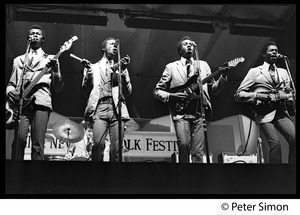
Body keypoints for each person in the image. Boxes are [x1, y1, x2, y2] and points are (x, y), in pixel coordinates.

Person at [153, 36, 228, 163]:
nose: (189, 46)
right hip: (181, 113)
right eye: (185, 44)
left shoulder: (203, 65)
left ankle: (197, 180)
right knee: (184, 146)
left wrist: (223, 76)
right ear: (180, 50)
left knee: (198, 151)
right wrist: (172, 96)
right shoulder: (171, 67)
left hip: (200, 112)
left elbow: (214, 89)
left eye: (191, 44)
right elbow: (157, 91)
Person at [6, 25, 63, 160]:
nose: (34, 36)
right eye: (32, 34)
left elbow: (58, 86)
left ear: (43, 39)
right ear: (28, 38)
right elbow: (10, 84)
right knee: (19, 141)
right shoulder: (18, 60)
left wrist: (56, 70)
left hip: (41, 102)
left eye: (38, 34)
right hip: (21, 104)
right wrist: (10, 92)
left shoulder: (51, 59)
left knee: (38, 144)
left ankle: (36, 176)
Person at [234, 41, 295, 164]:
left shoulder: (283, 72)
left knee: (294, 140)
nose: (274, 52)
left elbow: (288, 93)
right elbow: (238, 94)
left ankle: (291, 172)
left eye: (276, 51)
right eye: (271, 50)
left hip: (281, 111)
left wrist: (289, 98)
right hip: (264, 113)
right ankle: (275, 175)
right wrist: (257, 95)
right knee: (275, 144)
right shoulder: (255, 71)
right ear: (263, 54)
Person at [81, 37, 132, 162]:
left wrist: (124, 71)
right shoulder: (92, 67)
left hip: (117, 109)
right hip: (99, 108)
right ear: (103, 47)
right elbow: (85, 90)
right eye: (112, 44)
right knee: (98, 144)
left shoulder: (121, 68)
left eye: (116, 45)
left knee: (117, 148)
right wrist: (88, 73)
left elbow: (128, 91)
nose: (115, 47)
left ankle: (115, 178)